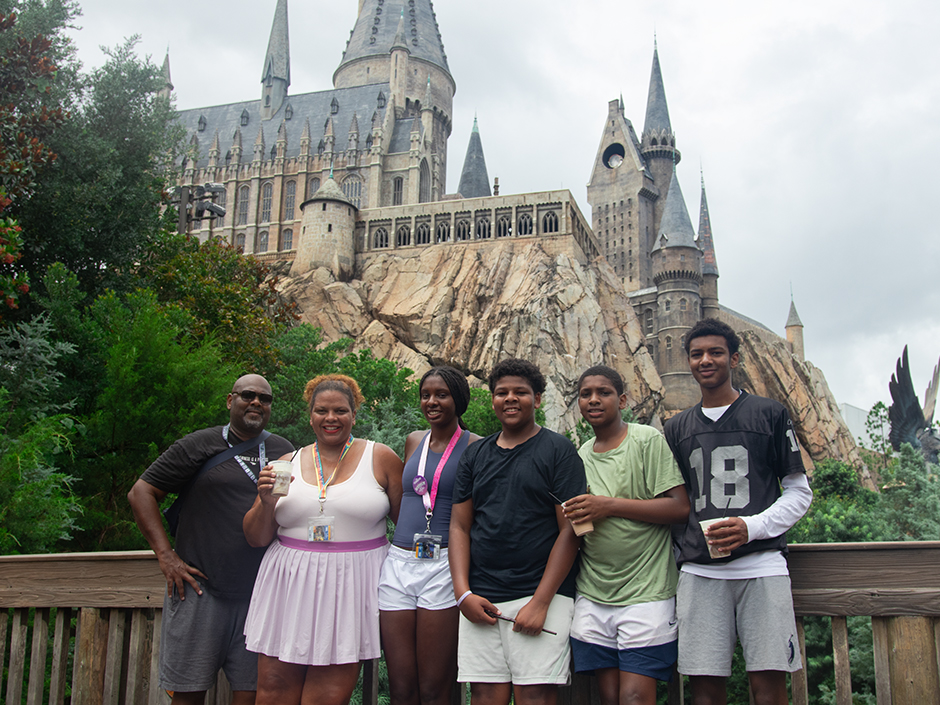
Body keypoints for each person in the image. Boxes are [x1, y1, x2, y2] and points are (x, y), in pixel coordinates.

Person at [663, 319, 813, 705]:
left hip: (762, 566)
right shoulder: (676, 427)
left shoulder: (768, 414)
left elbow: (798, 493)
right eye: (696, 354)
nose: (705, 361)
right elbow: (674, 502)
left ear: (734, 358)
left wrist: (753, 527)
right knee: (705, 691)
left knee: (769, 689)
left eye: (715, 352)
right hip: (699, 570)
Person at [127, 374, 294, 705]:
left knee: (252, 692)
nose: (257, 402)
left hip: (260, 595)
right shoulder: (200, 444)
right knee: (188, 693)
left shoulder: (283, 451)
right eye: (248, 395)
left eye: (265, 398)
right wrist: (166, 556)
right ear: (230, 400)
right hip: (200, 590)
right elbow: (141, 492)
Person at [242, 374, 404, 705]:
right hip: (288, 584)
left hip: (351, 586)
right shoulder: (285, 465)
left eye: (340, 411)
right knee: (273, 688)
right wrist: (267, 501)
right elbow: (257, 537)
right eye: (321, 411)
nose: (331, 418)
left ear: (354, 415)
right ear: (310, 415)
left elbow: (405, 525)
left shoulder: (381, 458)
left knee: (328, 695)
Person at [449, 358, 586, 705]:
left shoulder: (558, 451)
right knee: (483, 695)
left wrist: (540, 603)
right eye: (501, 392)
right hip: (482, 597)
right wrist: (463, 594)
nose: (510, 398)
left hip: (542, 594)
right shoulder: (475, 454)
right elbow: (460, 525)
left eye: (520, 392)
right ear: (492, 399)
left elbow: (569, 531)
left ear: (537, 399)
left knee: (536, 694)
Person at [562, 365, 690, 705]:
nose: (593, 400)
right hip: (594, 592)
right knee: (609, 697)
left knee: (634, 698)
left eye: (603, 392)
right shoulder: (581, 455)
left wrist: (609, 506)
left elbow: (679, 508)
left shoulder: (646, 439)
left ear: (621, 399)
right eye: (585, 394)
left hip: (646, 593)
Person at [379, 367, 482, 705]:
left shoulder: (476, 447)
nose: (432, 401)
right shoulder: (413, 440)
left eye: (441, 394)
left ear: (459, 399)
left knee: (435, 688)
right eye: (426, 395)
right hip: (399, 561)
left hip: (442, 564)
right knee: (401, 685)